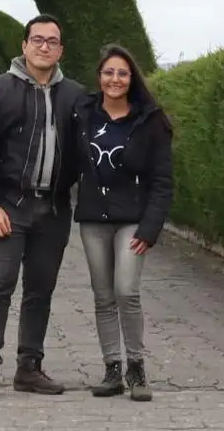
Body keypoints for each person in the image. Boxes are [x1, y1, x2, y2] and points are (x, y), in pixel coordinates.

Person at [0, 13, 83, 401]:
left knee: (40, 290)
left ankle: (29, 367)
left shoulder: (75, 96)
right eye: (37, 39)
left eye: (52, 41)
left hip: (53, 210)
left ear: (60, 49)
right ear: (24, 45)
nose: (44, 46)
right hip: (8, 207)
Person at [71, 43, 173, 402]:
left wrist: (151, 228)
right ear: (99, 77)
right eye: (108, 72)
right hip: (92, 220)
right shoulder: (83, 114)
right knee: (103, 296)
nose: (115, 79)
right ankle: (111, 368)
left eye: (122, 73)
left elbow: (162, 182)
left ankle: (137, 366)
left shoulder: (150, 122)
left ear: (132, 78)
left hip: (132, 221)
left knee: (126, 291)